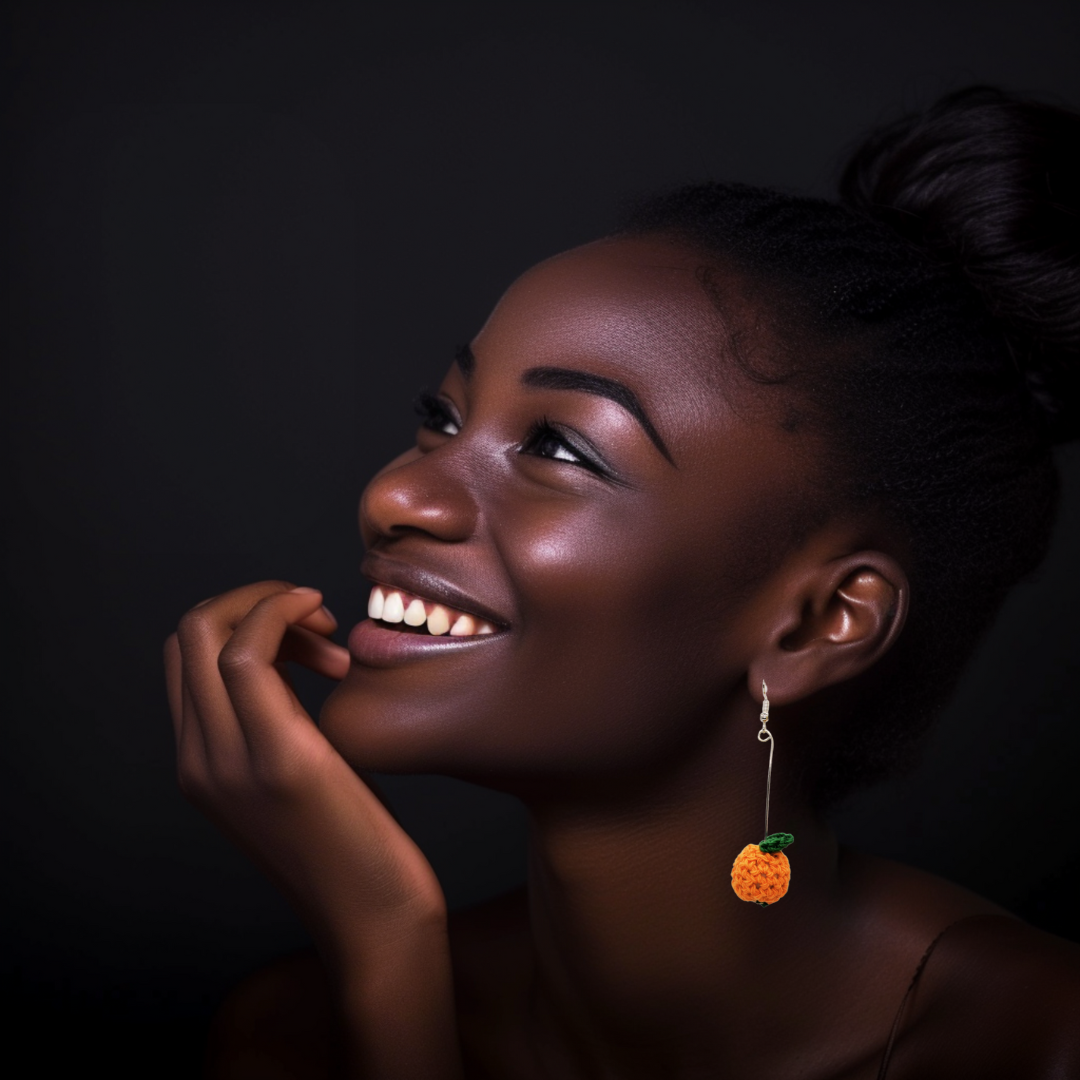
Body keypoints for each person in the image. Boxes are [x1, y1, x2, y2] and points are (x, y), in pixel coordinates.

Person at [164, 86, 1080, 1079]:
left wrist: (386, 951)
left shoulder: (1031, 1044)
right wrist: (385, 950)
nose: (397, 494)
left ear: (818, 623)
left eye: (559, 447)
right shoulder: (289, 1035)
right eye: (442, 415)